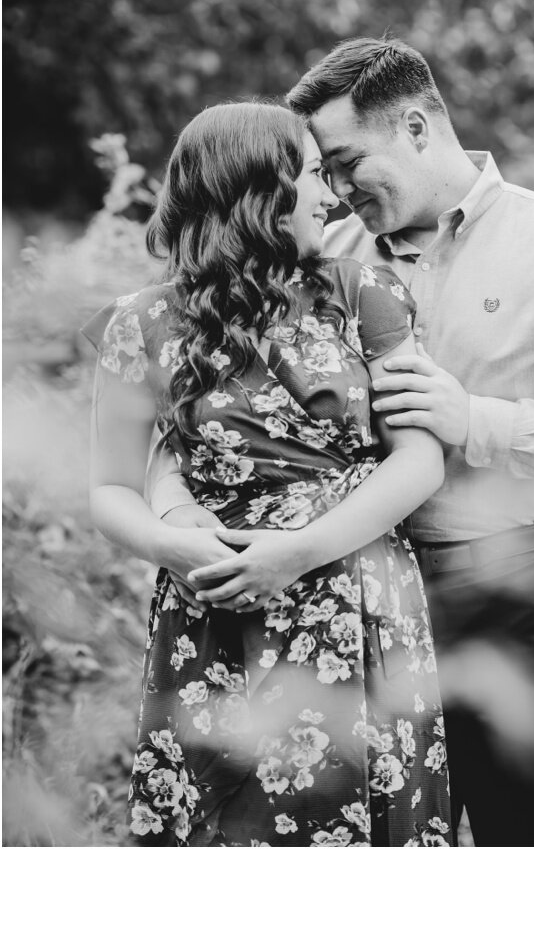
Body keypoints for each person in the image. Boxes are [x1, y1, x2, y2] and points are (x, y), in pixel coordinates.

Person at [151, 38, 534, 845]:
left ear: (418, 127)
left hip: (512, 587)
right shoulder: (322, 259)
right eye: (318, 171)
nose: (332, 189)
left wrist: (474, 420)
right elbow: (208, 394)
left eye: (346, 161)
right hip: (355, 611)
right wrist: (176, 496)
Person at [88, 102, 452, 846]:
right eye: (314, 175)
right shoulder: (139, 323)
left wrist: (297, 554)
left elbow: (419, 460)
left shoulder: (362, 296)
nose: (332, 195)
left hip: (355, 598)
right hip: (213, 609)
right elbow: (111, 488)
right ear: (257, 192)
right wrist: (172, 547)